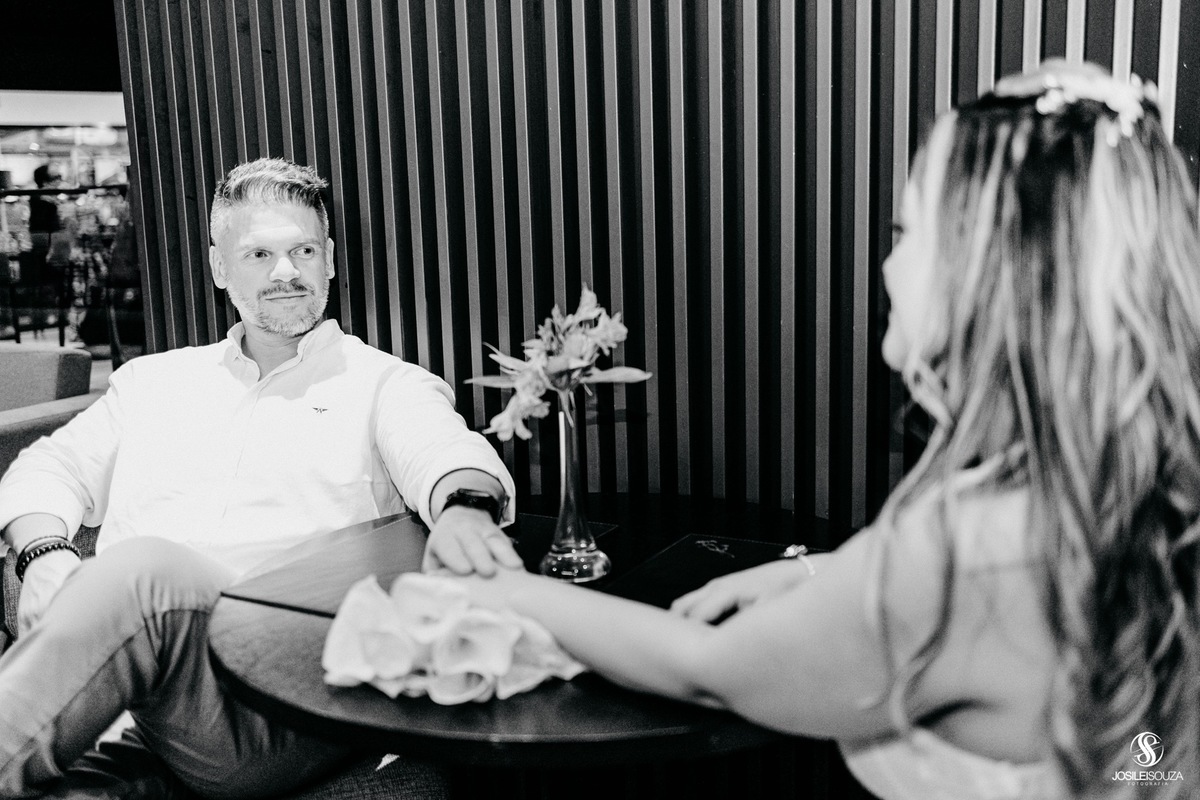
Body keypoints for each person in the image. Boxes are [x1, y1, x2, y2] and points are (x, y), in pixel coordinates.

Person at [458, 61, 1200, 800]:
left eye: (906, 232)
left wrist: (508, 593)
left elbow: (707, 671)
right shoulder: (1119, 492)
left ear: (989, 272)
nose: (886, 263)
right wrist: (813, 571)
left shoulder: (959, 555)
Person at [0, 157, 522, 798]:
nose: (285, 272)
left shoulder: (384, 383)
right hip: (137, 707)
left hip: (281, 700)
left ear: (328, 259)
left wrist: (466, 509)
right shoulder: (153, 382)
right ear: (220, 268)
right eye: (258, 254)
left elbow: (449, 457)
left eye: (303, 250)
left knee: (143, 573)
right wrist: (46, 553)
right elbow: (44, 469)